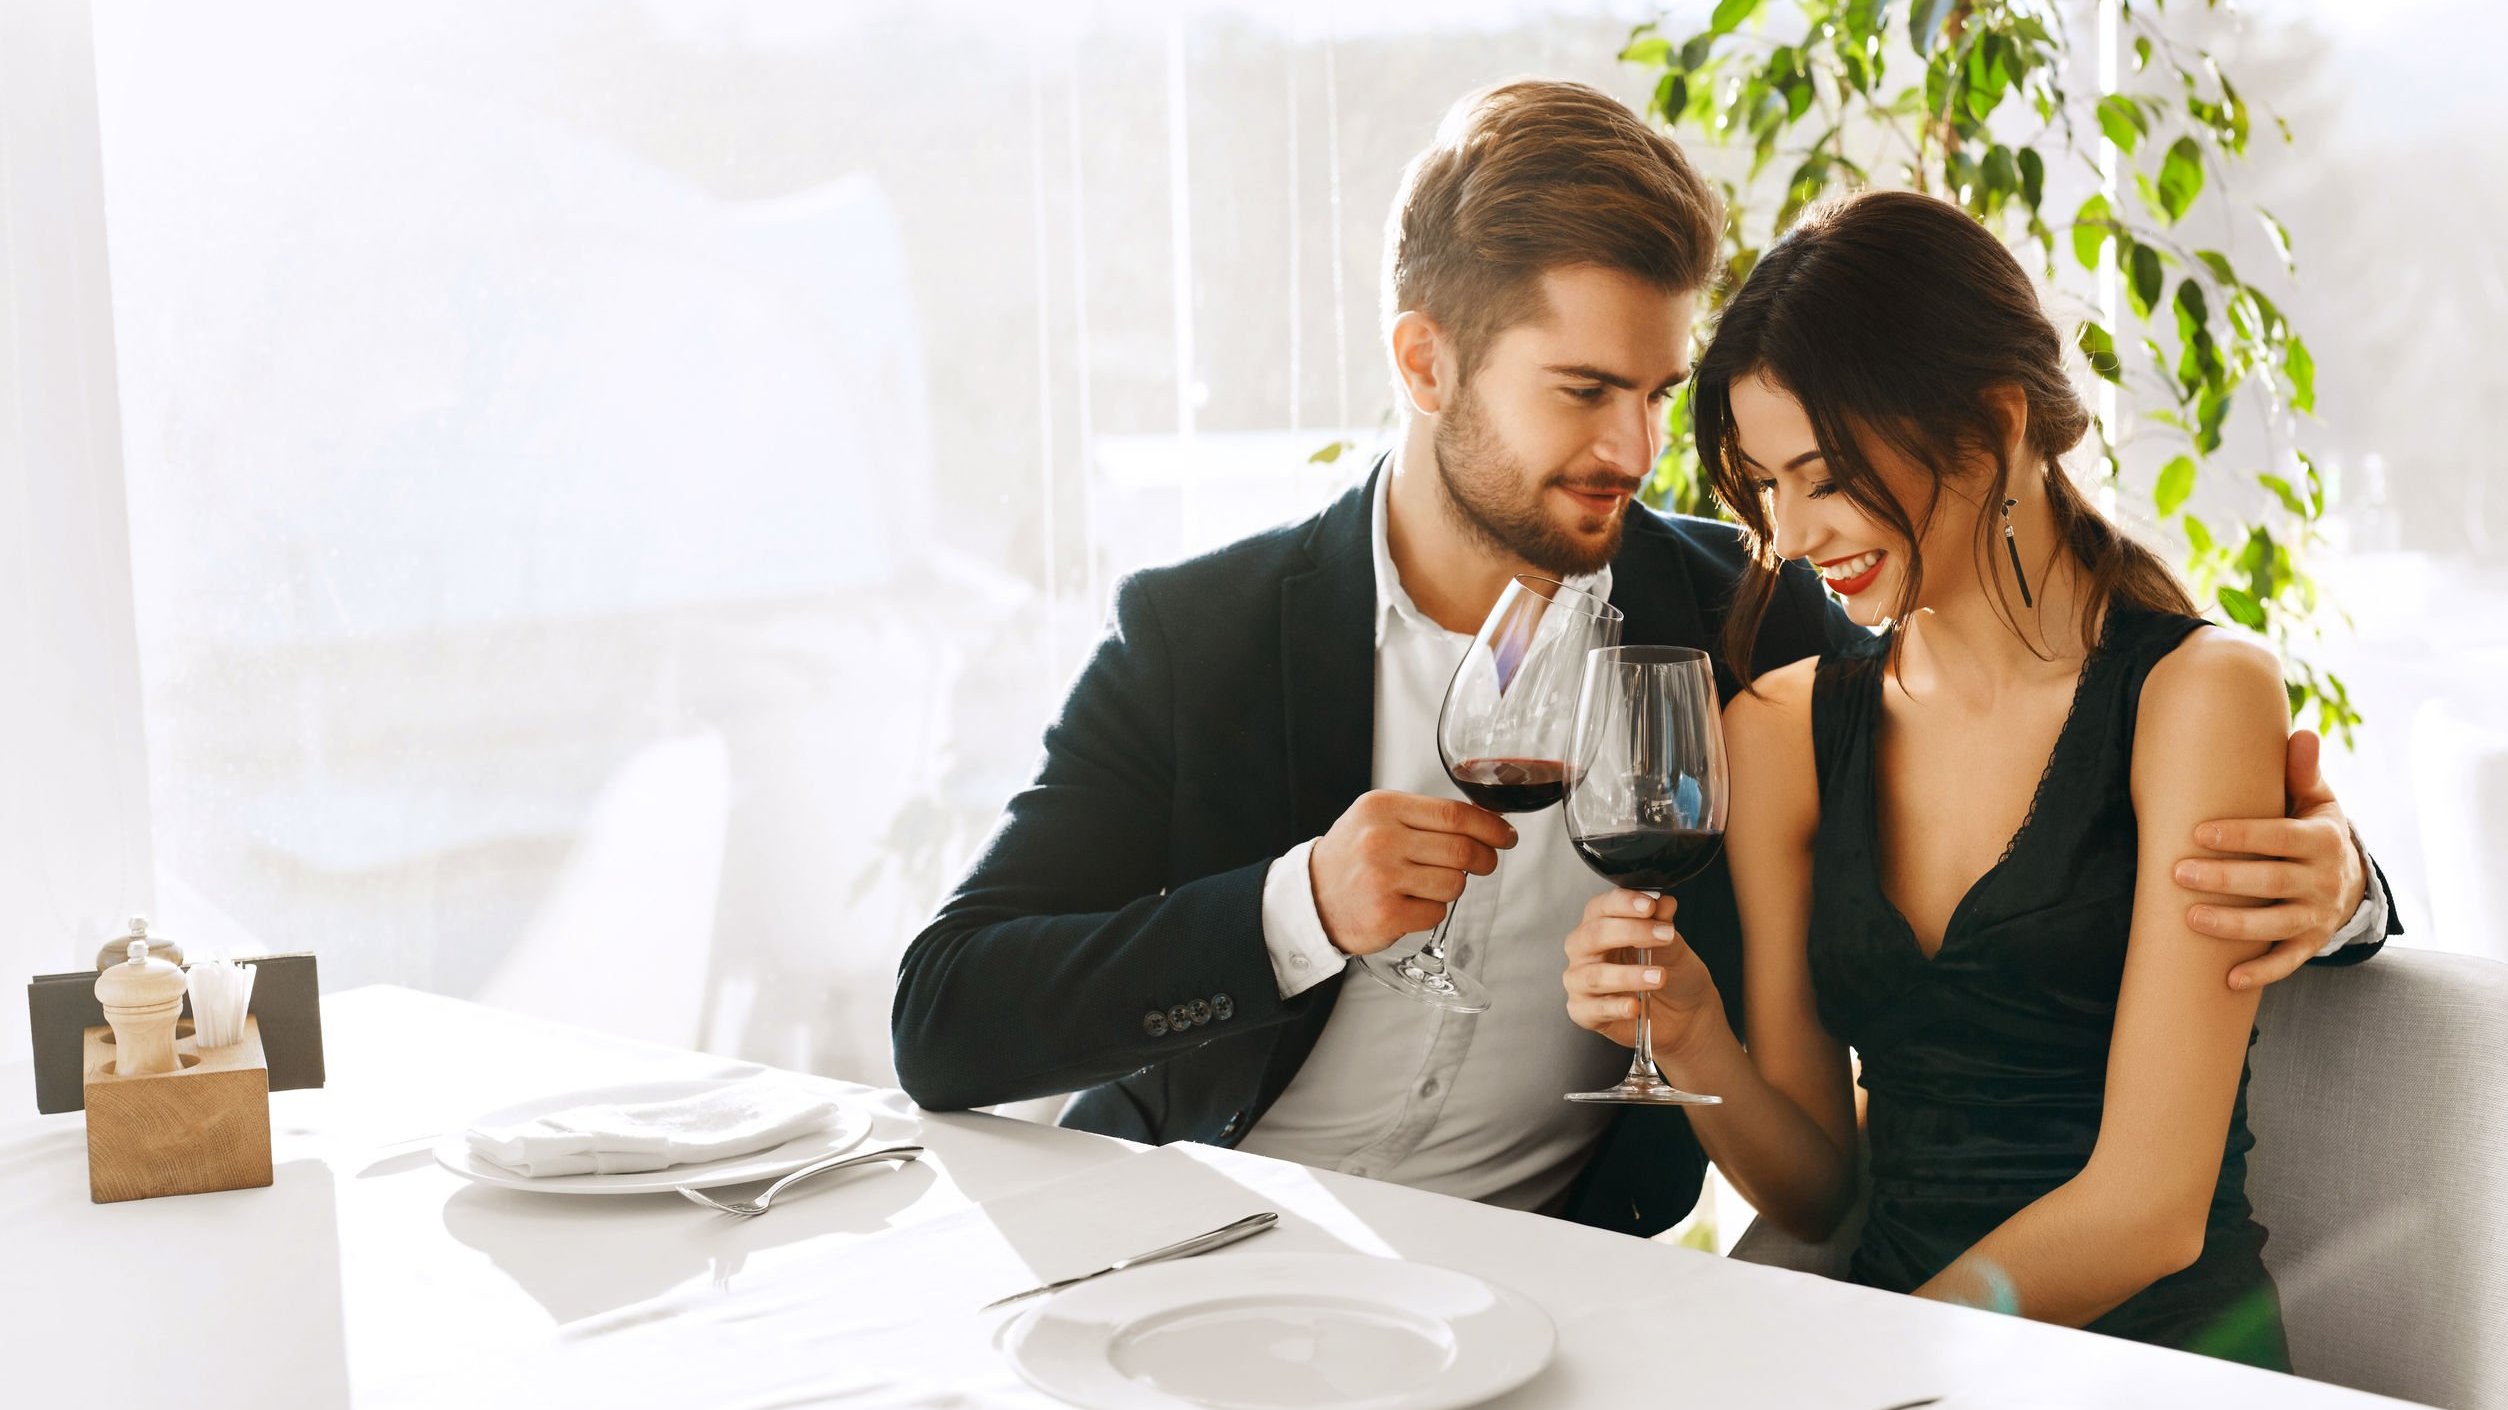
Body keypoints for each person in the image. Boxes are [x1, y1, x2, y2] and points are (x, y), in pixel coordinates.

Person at [896, 80, 2391, 1239]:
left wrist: (2340, 890)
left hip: (1550, 1285)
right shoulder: (1205, 634)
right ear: (1424, 365)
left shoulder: (1751, 620)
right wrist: (1299, 905)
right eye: (1583, 389)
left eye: (1657, 393)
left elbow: (2060, 733)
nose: (1632, 450)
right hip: (1199, 1244)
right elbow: (947, 1014)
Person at [1561, 188, 2371, 1365]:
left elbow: (2150, 1209)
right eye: (1766, 486)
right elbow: (1824, 1195)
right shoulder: (1782, 730)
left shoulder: (2197, 696)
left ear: (1993, 427)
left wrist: (1877, 1364)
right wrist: (1691, 1040)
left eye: (1825, 475)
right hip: (1900, 1355)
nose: (1789, 534)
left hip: (2148, 1365)